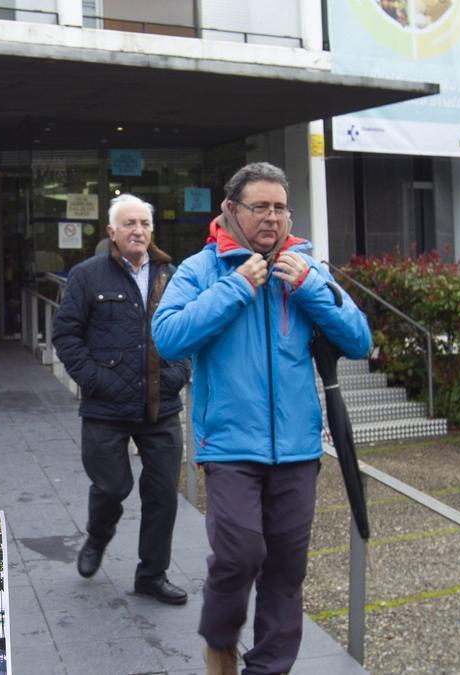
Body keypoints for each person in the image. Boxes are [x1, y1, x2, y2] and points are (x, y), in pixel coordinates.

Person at [150, 162, 371, 674]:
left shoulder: (307, 266)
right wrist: (237, 287)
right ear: (231, 210)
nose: (271, 218)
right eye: (259, 207)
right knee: (240, 554)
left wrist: (312, 288)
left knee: (286, 571)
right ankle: (220, 640)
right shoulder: (201, 269)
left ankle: (268, 668)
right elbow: (169, 337)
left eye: (279, 208)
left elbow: (360, 339)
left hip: (297, 447)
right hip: (229, 445)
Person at [52, 193, 191, 605]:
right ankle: (98, 537)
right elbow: (66, 335)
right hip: (105, 407)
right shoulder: (87, 275)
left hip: (160, 403)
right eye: (129, 224)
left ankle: (152, 574)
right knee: (112, 486)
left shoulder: (172, 275)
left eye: (145, 224)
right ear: (112, 232)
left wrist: (178, 373)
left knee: (163, 493)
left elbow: (187, 329)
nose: (138, 231)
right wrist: (95, 380)